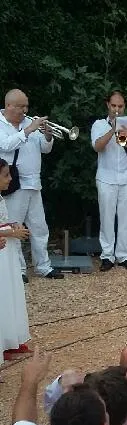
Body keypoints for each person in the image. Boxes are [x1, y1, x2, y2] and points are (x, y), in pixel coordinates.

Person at [0, 89, 63, 281]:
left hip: (34, 182)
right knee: (15, 227)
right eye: (21, 107)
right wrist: (28, 130)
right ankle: (18, 270)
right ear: (9, 106)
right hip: (14, 183)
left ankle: (43, 267)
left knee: (39, 227)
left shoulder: (29, 122)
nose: (25, 110)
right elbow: (6, 145)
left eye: (26, 106)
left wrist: (48, 136)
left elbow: (45, 149)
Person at [91, 91, 127, 273]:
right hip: (106, 177)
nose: (117, 109)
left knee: (126, 218)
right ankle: (107, 256)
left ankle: (124, 255)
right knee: (106, 218)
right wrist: (113, 129)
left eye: (120, 106)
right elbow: (97, 146)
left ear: (124, 106)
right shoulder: (99, 124)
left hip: (126, 177)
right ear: (108, 105)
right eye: (114, 106)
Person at [0, 159, 31, 365]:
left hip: (6, 253)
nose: (10, 179)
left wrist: (12, 226)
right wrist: (12, 232)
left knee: (10, 294)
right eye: (5, 175)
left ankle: (10, 339)